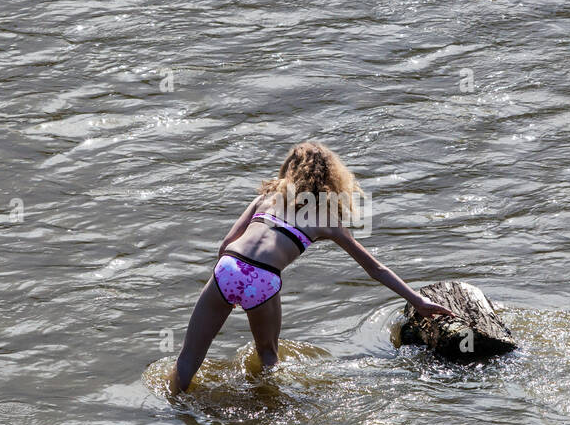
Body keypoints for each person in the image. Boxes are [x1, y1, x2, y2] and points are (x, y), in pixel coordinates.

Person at [169, 141, 452, 393]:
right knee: (268, 355)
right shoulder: (326, 220)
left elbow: (225, 244)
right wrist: (417, 300)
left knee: (189, 357)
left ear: (289, 170)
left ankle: (172, 411)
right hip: (263, 279)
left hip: (228, 267)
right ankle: (270, 416)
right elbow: (375, 269)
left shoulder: (266, 199)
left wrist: (226, 291)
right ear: (331, 180)